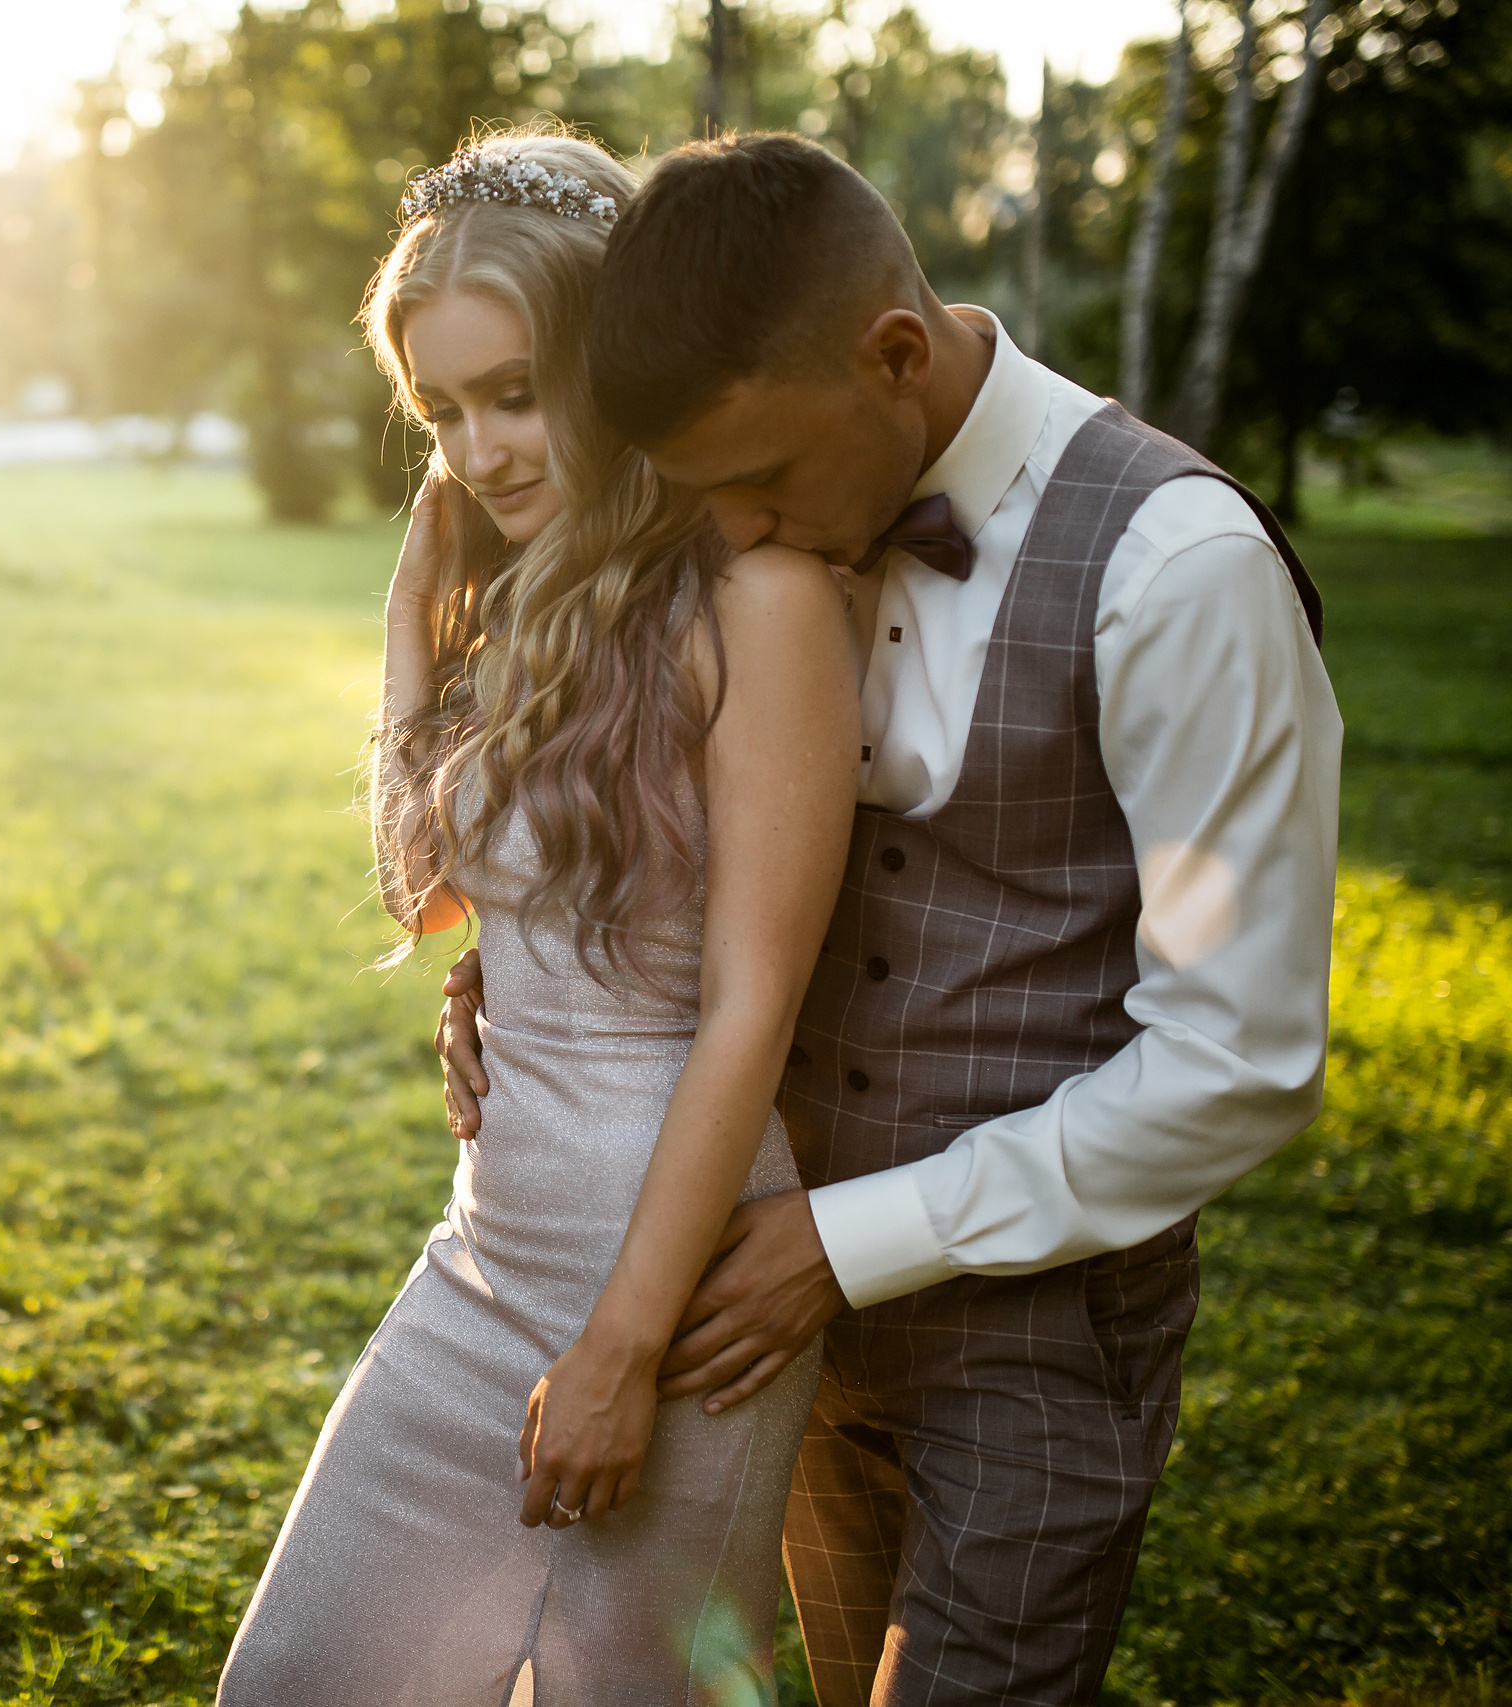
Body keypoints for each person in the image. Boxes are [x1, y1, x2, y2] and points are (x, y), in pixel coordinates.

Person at [435, 133, 1340, 1707]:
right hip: (763, 1342)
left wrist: (844, 1250)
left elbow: (1238, 1061)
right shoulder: (772, 517)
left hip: (1032, 1339)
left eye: (758, 486)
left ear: (897, 357)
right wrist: (515, 970)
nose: (723, 535)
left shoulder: (1178, 572)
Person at [217, 130, 861, 1707]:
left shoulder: (758, 605)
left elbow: (752, 1010)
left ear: (608, 359)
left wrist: (627, 1353)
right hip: (482, 1257)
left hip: (686, 1298)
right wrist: (410, 627)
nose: (484, 450)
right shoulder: (521, 601)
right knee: (296, 1679)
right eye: (444, 411)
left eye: (517, 392)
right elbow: (419, 893)